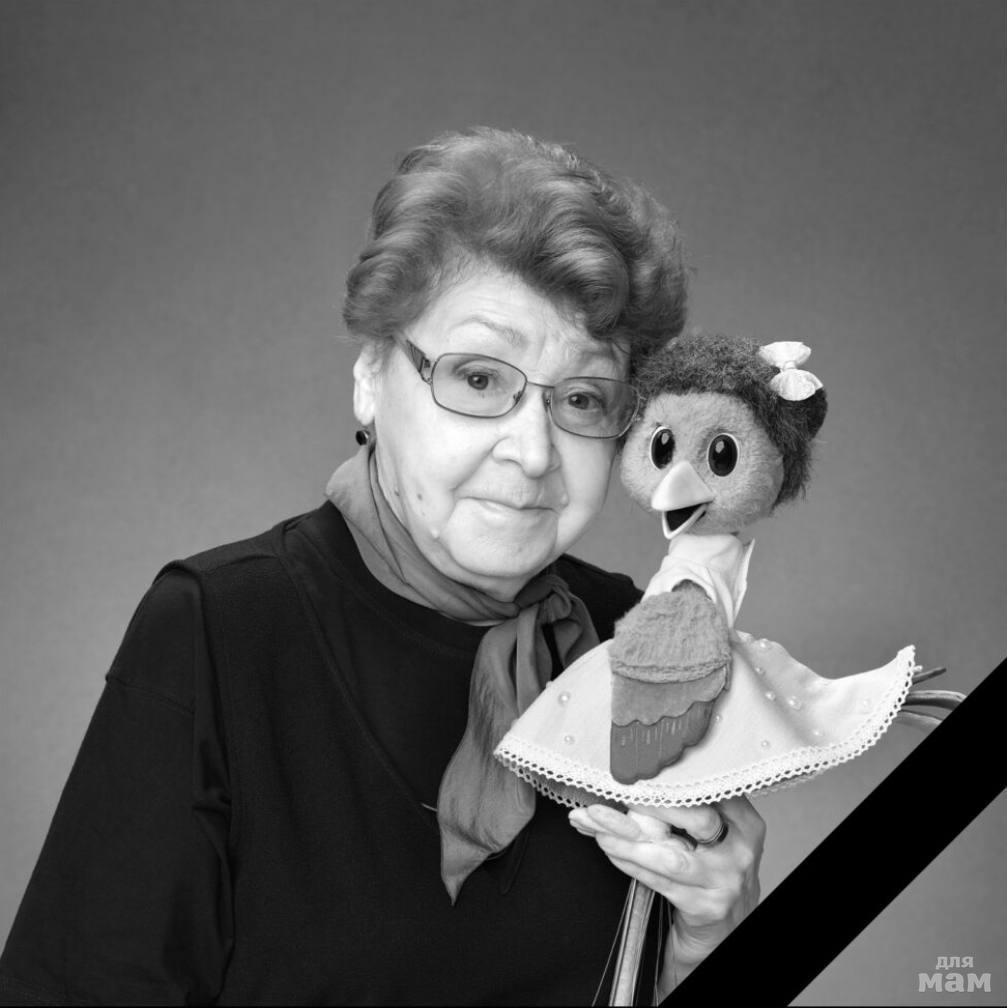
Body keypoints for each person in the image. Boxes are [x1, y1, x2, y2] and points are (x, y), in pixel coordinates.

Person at [0, 127, 764, 1006]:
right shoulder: (219, 629)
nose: (531, 452)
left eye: (582, 398)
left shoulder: (635, 640)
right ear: (370, 377)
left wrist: (704, 947)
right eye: (478, 380)